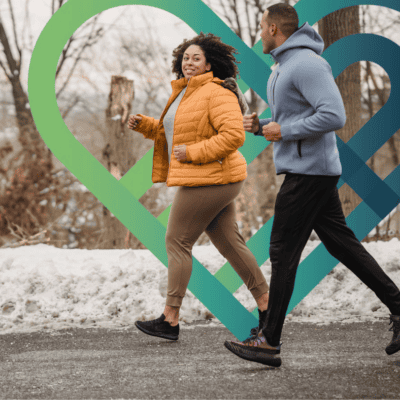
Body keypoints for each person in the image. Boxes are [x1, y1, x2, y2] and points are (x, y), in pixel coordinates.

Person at [224, 3, 400, 368]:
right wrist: (265, 125)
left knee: (282, 251)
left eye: (261, 26)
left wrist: (285, 130)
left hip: (310, 172)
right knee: (343, 245)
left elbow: (334, 114)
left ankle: (269, 341)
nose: (258, 33)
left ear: (274, 28)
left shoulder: (306, 63)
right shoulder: (285, 65)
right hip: (307, 168)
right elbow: (299, 114)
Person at [127, 32, 270, 341]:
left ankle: (170, 318)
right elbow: (176, 134)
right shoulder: (184, 93)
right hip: (211, 177)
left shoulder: (217, 92)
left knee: (177, 241)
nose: (189, 63)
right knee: (229, 243)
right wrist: (145, 125)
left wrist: (193, 153)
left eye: (196, 59)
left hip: (210, 177)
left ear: (210, 65)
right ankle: (267, 306)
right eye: (185, 57)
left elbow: (234, 136)